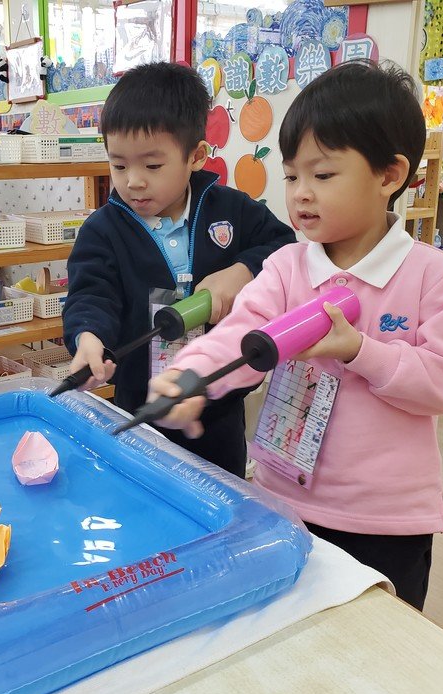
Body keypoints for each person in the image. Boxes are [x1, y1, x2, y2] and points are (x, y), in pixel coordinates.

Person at [147, 60, 443, 610]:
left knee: (374, 643)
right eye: (291, 176)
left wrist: (363, 353)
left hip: (384, 523)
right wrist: (192, 375)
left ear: (389, 175)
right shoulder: (287, 268)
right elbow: (242, 334)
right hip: (283, 501)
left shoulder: (432, 276)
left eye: (322, 176)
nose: (300, 194)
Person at [63, 61, 295, 478]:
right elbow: (91, 293)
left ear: (196, 156)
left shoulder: (231, 209)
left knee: (221, 497)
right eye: (119, 165)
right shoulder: (103, 230)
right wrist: (89, 338)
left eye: (152, 166)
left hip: (218, 410)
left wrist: (241, 270)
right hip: (140, 409)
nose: (133, 181)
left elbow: (283, 247)